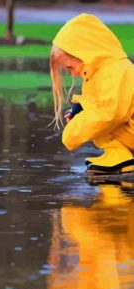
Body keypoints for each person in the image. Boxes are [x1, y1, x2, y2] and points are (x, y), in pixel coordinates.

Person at [50, 13, 134, 174]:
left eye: (70, 67)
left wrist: (73, 132)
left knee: (97, 117)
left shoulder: (115, 70)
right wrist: (79, 111)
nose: (73, 74)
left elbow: (112, 113)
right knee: (89, 113)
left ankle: (122, 157)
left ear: (84, 53)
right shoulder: (99, 73)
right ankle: (118, 154)